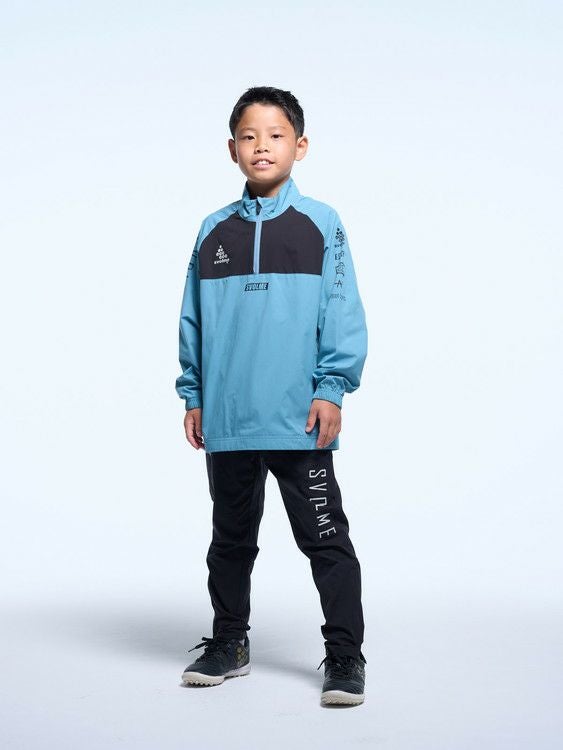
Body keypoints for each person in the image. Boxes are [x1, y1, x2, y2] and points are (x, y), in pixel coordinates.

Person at [175, 86, 369, 706]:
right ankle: (229, 642)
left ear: (300, 146)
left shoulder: (321, 224)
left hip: (299, 418)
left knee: (324, 539)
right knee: (230, 542)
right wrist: (194, 394)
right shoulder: (213, 230)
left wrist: (332, 388)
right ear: (232, 149)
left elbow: (341, 309)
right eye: (249, 136)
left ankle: (346, 655)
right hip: (229, 418)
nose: (262, 146)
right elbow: (193, 320)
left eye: (276, 135)